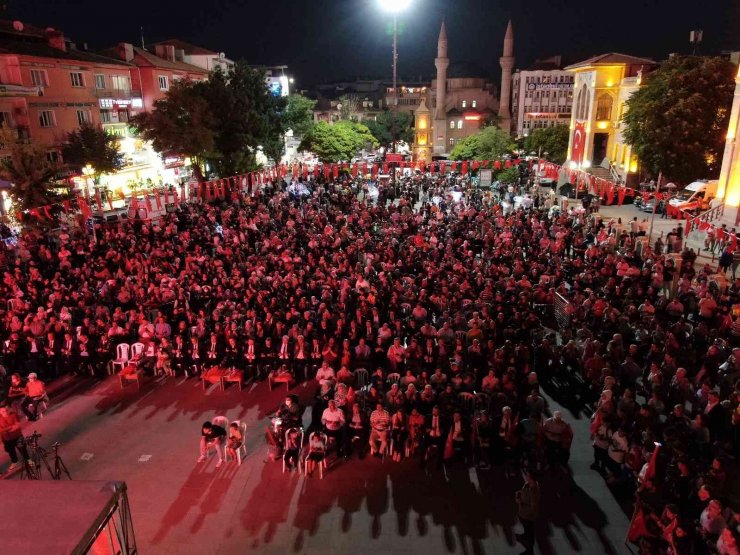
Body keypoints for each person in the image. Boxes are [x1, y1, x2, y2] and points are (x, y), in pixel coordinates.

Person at [0, 401, 31, 472]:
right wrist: (10, 428)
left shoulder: (13, 415)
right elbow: (1, 430)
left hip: (17, 436)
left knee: (23, 449)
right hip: (7, 439)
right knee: (11, 451)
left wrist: (6, 429)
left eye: (5, 410)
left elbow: (17, 426)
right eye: (2, 411)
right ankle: (14, 462)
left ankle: (28, 460)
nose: (4, 411)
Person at [515, 470, 540, 555]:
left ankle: (529, 551)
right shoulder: (527, 484)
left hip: (528, 516)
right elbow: (523, 492)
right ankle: (525, 535)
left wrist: (522, 504)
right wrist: (519, 495)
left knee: (530, 533)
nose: (526, 476)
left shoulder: (534, 491)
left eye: (528, 476)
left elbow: (534, 507)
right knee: (526, 528)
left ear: (532, 479)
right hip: (523, 513)